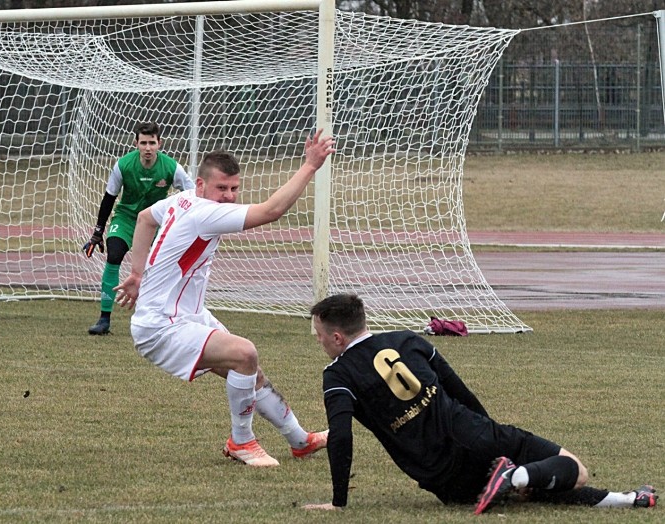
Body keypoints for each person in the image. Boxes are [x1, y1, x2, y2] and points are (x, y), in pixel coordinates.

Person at [303, 293, 658, 514]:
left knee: (533, 491)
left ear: (337, 337)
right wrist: (490, 439)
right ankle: (512, 472)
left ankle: (629, 500)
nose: (320, 343)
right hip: (473, 435)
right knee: (572, 470)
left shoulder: (337, 375)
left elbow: (342, 436)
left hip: (442, 480)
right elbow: (459, 390)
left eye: (319, 337)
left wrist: (338, 502)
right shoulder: (407, 340)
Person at [113, 130, 336, 466]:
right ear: (200, 186)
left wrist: (137, 273)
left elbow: (145, 219)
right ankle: (241, 442)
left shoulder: (180, 200)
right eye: (222, 188)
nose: (229, 196)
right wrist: (310, 165)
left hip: (187, 316)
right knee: (244, 353)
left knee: (250, 371)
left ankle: (299, 440)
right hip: (161, 327)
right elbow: (271, 211)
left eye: (234, 188)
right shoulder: (203, 210)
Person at [82, 122, 195, 336]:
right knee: (113, 255)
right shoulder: (123, 165)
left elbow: (192, 193)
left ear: (159, 144)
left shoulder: (171, 167)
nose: (148, 148)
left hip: (155, 221)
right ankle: (104, 318)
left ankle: (160, 316)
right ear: (136, 144)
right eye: (143, 143)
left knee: (160, 266)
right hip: (126, 219)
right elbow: (109, 198)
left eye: (152, 143)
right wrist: (98, 232)